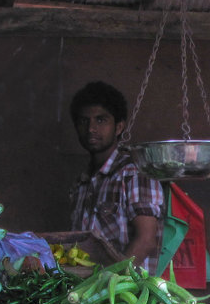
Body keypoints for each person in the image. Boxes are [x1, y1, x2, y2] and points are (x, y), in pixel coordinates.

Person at [68, 81, 164, 271]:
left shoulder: (134, 172)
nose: (91, 129)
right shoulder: (81, 184)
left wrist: (106, 284)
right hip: (86, 294)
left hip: (126, 294)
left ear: (119, 127)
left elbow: (145, 241)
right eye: (83, 121)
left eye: (101, 120)